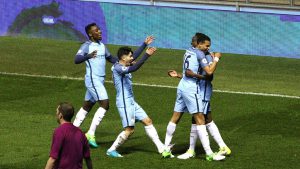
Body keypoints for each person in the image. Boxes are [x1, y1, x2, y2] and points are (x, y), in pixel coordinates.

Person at [162, 33, 225, 161]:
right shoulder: (200, 54)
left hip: (182, 86)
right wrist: (216, 59)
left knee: (175, 117)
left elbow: (187, 72)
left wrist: (180, 75)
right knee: (200, 119)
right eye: (206, 45)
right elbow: (209, 72)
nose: (208, 48)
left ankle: (166, 149)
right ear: (199, 44)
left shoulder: (188, 52)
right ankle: (209, 153)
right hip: (191, 89)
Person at [106, 37, 166, 158]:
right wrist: (146, 55)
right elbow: (134, 67)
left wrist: (144, 44)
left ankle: (161, 148)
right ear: (123, 58)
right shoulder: (118, 68)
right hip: (124, 103)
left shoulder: (123, 64)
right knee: (130, 130)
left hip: (131, 101)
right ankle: (111, 150)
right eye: (129, 56)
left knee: (148, 121)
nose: (132, 58)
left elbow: (133, 60)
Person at [72, 23, 118, 148]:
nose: (100, 32)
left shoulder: (102, 46)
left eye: (100, 30)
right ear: (90, 34)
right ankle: (90, 133)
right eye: (96, 30)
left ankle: (71, 132)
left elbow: (110, 58)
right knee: (105, 104)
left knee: (87, 106)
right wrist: (88, 56)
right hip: (93, 80)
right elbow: (76, 60)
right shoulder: (86, 46)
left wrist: (123, 62)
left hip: (100, 80)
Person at [45, 102, 92, 169]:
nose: (56, 114)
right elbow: (88, 158)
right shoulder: (80, 133)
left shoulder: (59, 131)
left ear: (60, 115)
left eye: (57, 112)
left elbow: (53, 159)